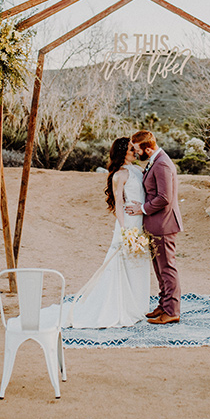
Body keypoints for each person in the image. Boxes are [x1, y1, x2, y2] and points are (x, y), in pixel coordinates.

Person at [68, 137, 151, 328]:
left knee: (139, 262)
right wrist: (124, 230)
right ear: (123, 152)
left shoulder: (137, 170)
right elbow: (119, 204)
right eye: (131, 149)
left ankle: (138, 305)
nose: (135, 152)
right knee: (123, 261)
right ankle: (121, 306)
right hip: (129, 222)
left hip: (140, 220)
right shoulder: (119, 175)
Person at [125, 130, 183, 324]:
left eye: (137, 149)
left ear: (148, 149)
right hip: (156, 225)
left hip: (164, 225)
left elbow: (164, 198)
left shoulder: (163, 164)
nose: (135, 153)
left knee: (167, 268)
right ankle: (164, 304)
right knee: (159, 269)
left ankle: (172, 310)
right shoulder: (155, 161)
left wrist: (141, 209)